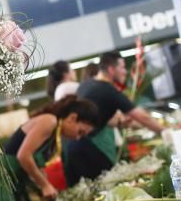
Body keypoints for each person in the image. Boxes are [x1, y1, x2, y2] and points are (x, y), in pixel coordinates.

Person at [65, 51, 164, 184]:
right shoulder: (108, 91)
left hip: (72, 149)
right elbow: (142, 117)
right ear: (111, 69)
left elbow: (96, 117)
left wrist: (120, 122)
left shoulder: (87, 84)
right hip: (90, 151)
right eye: (122, 67)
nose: (125, 72)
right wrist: (164, 131)